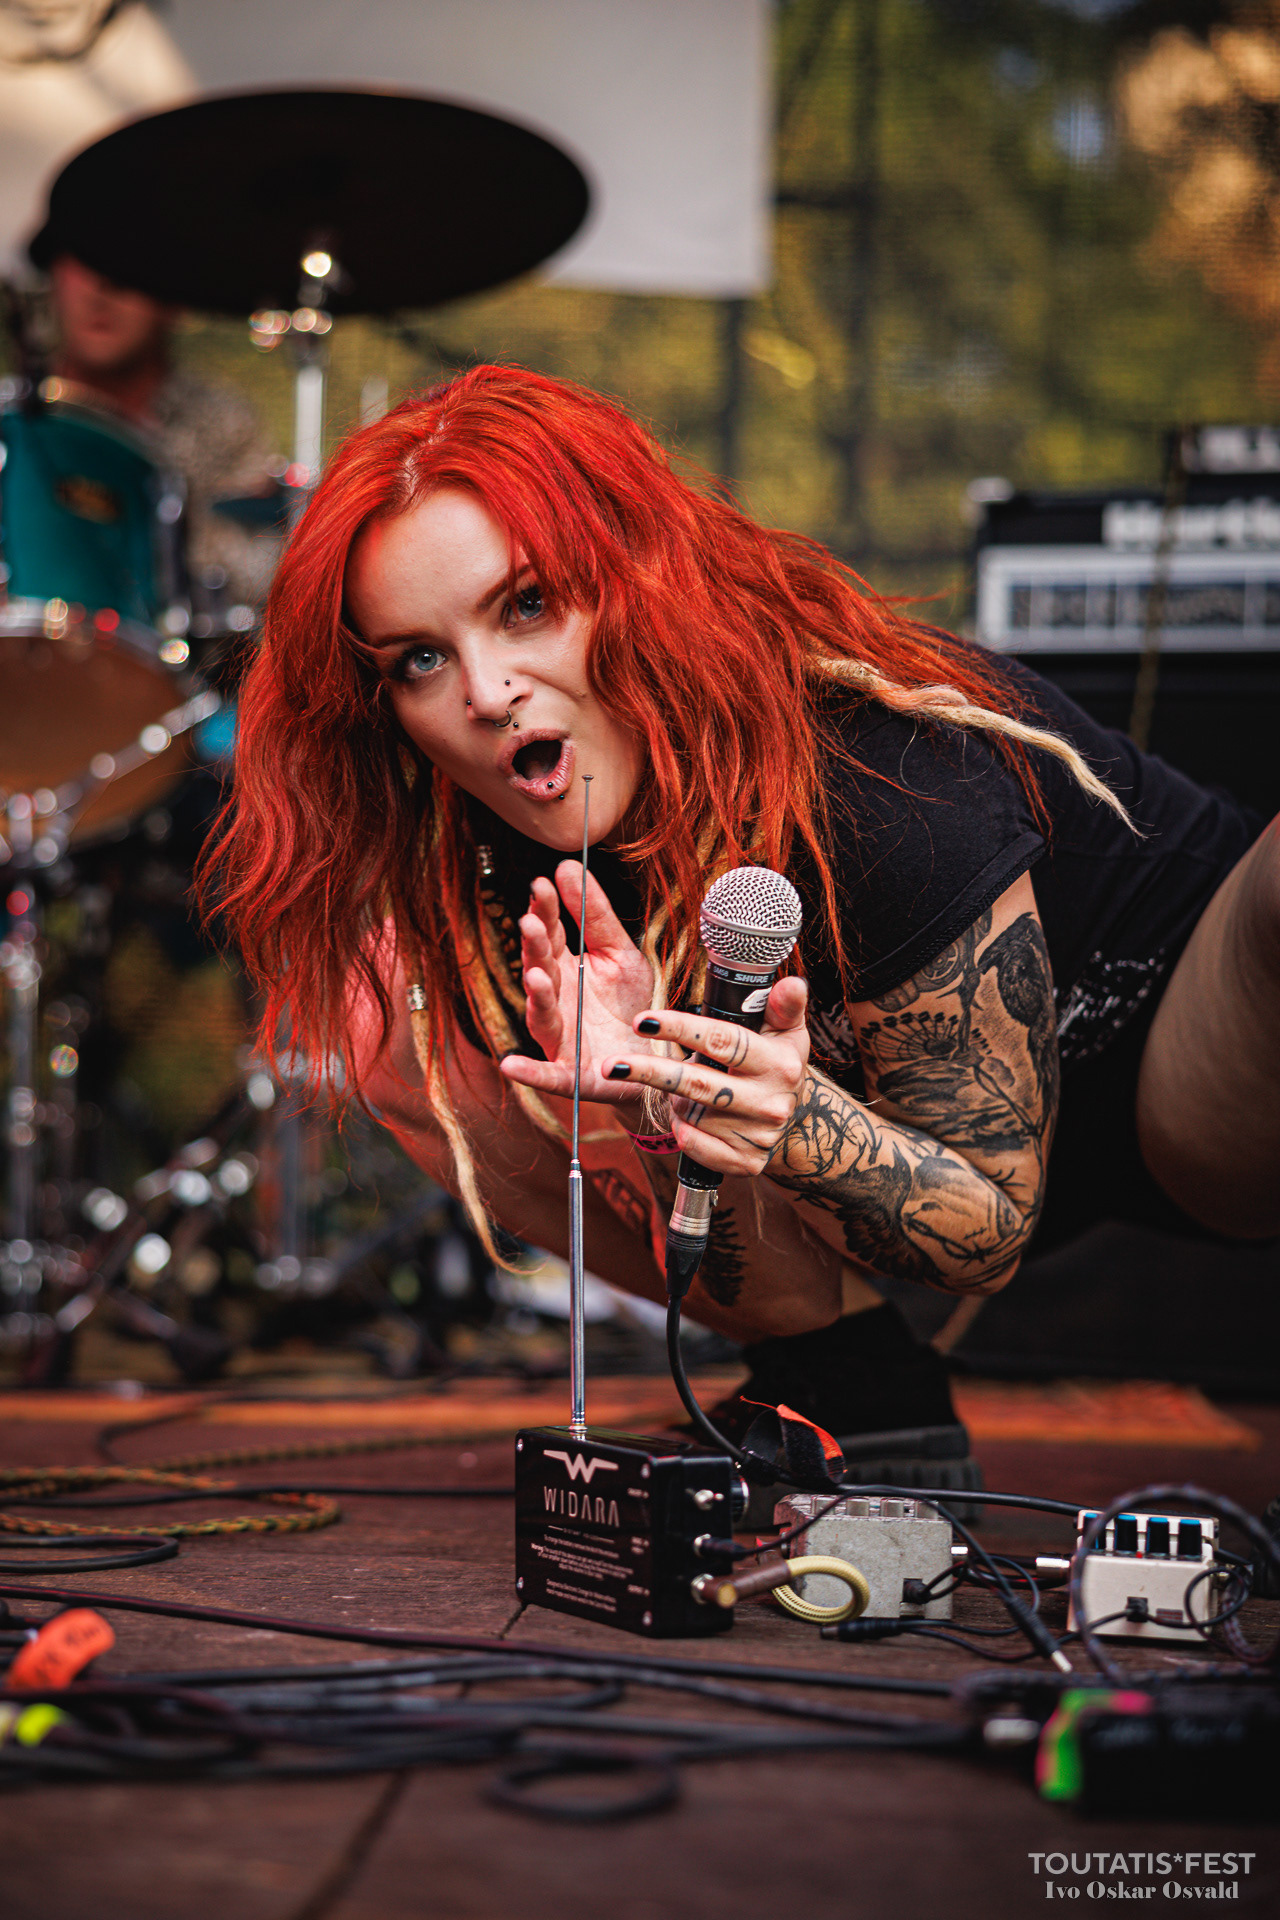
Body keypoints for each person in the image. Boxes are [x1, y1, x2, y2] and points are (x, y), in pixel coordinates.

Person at [205, 365, 1280, 1487]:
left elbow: (990, 1228)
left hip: (1184, 1066)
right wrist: (656, 1096)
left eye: (524, 606)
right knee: (382, 1012)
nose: (483, 691)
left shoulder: (873, 776)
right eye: (419, 660)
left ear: (635, 578)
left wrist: (793, 1116)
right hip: (889, 1162)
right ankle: (845, 1383)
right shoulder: (494, 851)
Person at [28, 244, 279, 610]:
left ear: (174, 297)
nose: (101, 289)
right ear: (54, 276)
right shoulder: (15, 424)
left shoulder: (225, 424)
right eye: (84, 259)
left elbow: (261, 580)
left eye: (127, 263)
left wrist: (166, 524)